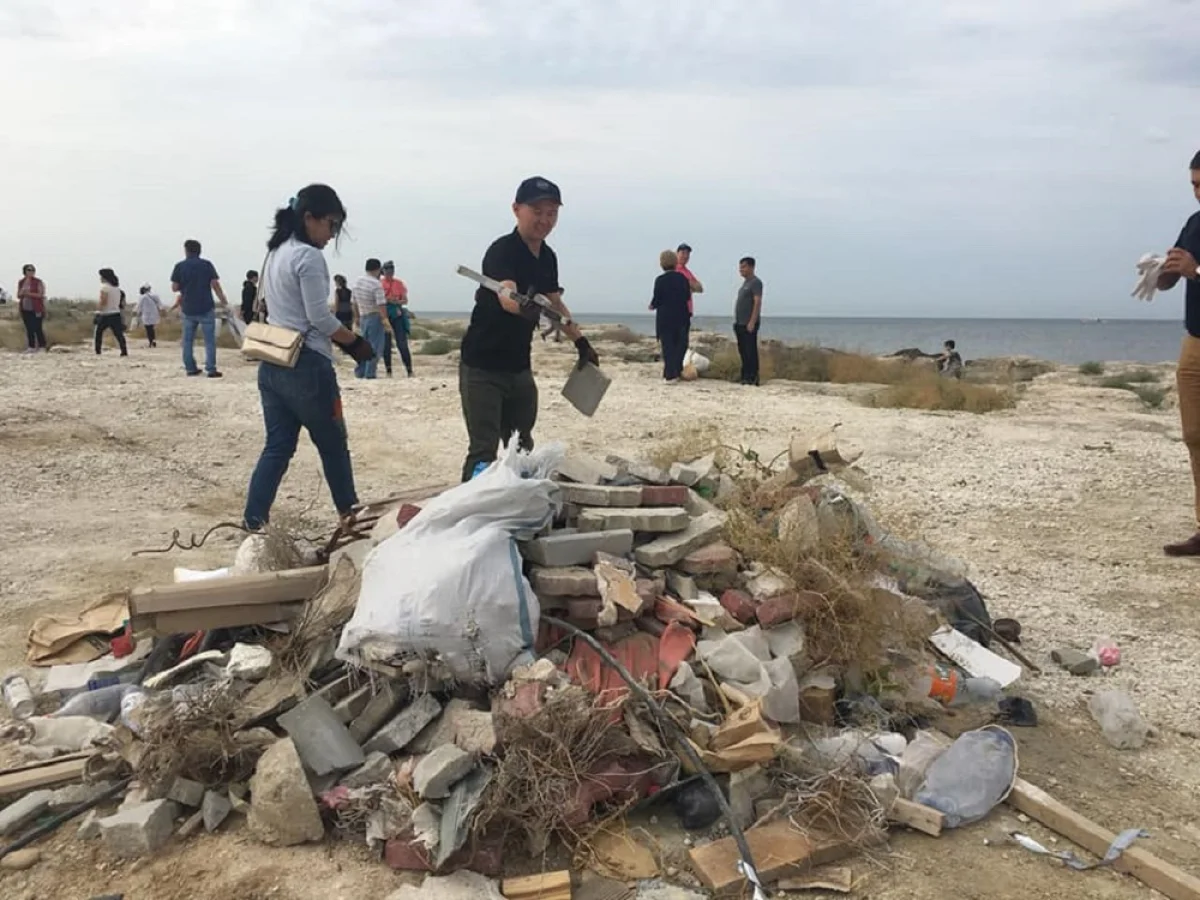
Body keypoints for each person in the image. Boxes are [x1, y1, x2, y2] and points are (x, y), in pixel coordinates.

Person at [243, 184, 375, 530]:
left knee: (277, 448)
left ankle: (253, 524)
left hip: (272, 361)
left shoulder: (277, 252)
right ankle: (350, 516)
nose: (332, 235)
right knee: (333, 445)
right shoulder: (308, 257)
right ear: (309, 218)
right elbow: (320, 318)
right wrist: (354, 343)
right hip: (307, 366)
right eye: (331, 225)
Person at [458, 176, 599, 482]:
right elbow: (507, 296)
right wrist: (526, 307)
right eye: (537, 211)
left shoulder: (547, 256)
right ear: (516, 209)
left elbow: (556, 303)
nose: (545, 220)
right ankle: (470, 514)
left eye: (552, 213)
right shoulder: (502, 250)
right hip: (482, 365)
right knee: (483, 450)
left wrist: (581, 341)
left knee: (522, 446)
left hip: (519, 366)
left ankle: (517, 505)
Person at [1156, 148, 1200, 556]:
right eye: (1193, 186)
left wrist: (1197, 271)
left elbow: (1195, 271)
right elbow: (1176, 275)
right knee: (1195, 436)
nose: (1198, 194)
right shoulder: (1195, 223)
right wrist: (1162, 272)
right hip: (1196, 342)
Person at [170, 239, 229, 378]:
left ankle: (190, 368)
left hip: (188, 307)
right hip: (206, 306)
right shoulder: (206, 265)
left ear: (186, 250)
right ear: (199, 250)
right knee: (209, 340)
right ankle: (211, 369)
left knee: (188, 340)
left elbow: (174, 288)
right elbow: (215, 285)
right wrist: (224, 302)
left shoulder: (179, 266)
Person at [651, 249, 692, 381]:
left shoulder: (660, 280)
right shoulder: (683, 279)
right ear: (675, 262)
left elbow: (657, 299)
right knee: (680, 344)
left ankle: (670, 374)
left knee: (667, 346)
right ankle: (677, 370)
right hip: (681, 316)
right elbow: (687, 296)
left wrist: (652, 305)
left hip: (665, 317)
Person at [351, 259, 388, 379]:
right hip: (374, 316)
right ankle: (370, 373)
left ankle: (360, 372)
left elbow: (354, 302)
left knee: (364, 346)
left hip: (363, 316)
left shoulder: (357, 282)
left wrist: (356, 316)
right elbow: (381, 304)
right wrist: (385, 320)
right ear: (378, 269)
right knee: (375, 347)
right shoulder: (376, 284)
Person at [733, 256, 763, 386]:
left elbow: (757, 302)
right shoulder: (745, 284)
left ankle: (753, 377)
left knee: (750, 350)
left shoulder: (755, 283)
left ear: (751, 267)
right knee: (743, 350)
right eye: (740, 267)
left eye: (744, 267)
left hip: (749, 323)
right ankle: (745, 375)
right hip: (740, 322)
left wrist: (752, 321)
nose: (741, 269)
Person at [381, 260, 413, 377]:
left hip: (397, 314)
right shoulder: (379, 283)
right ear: (383, 271)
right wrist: (387, 300)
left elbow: (405, 300)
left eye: (392, 270)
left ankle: (409, 370)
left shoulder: (399, 283)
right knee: (386, 344)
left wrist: (397, 301)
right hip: (385, 314)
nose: (390, 272)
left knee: (402, 343)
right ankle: (388, 371)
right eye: (387, 270)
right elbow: (377, 300)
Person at [95, 268, 128, 356]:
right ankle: (124, 350)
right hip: (116, 313)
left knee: (98, 333)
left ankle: (98, 351)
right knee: (119, 334)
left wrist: (98, 311)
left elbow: (103, 301)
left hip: (105, 314)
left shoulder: (104, 288)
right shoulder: (117, 289)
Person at [16, 264, 47, 353]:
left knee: (37, 327)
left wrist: (28, 294)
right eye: (29, 270)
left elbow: (41, 295)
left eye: (33, 270)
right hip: (25, 308)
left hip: (36, 308)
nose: (31, 272)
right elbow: (18, 295)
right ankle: (31, 346)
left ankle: (42, 346)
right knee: (29, 328)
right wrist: (22, 293)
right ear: (25, 271)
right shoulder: (21, 282)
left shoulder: (38, 282)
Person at [676, 243, 704, 316]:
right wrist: (690, 285)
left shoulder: (687, 272)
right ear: (677, 254)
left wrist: (687, 283)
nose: (685, 256)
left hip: (687, 311)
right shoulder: (674, 269)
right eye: (683, 253)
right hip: (677, 310)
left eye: (687, 254)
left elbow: (700, 288)